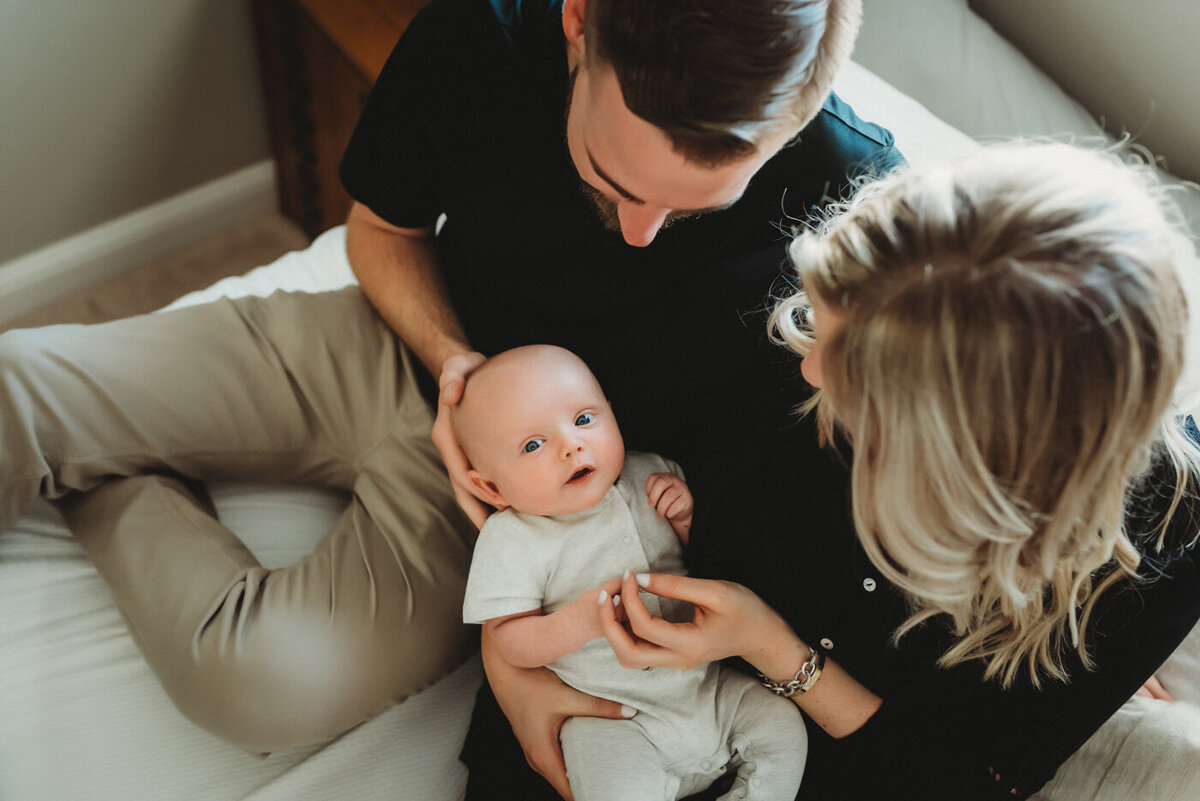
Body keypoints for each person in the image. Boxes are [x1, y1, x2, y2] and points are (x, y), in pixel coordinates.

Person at [0, 0, 896, 754]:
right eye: (609, 177)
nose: (639, 233)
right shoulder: (484, 34)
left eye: (696, 207)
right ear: (578, 22)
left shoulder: (857, 208)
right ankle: (91, 442)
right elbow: (381, 232)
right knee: (15, 389)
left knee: (262, 686)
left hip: (524, 506)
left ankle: (100, 465)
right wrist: (451, 363)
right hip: (408, 350)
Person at [486, 142, 1195, 800]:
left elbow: (972, 778)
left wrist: (774, 648)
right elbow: (552, 439)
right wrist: (509, 662)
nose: (808, 365)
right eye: (818, 323)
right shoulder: (822, 271)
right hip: (614, 709)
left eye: (859, 376)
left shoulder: (1164, 538)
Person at [455, 344, 807, 801]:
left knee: (783, 726)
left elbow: (708, 562)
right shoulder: (513, 538)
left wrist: (684, 522)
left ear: (612, 414)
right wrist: (573, 625)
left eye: (583, 419)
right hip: (615, 717)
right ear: (490, 487)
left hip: (710, 688)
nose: (571, 446)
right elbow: (506, 638)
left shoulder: (653, 473)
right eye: (533, 445)